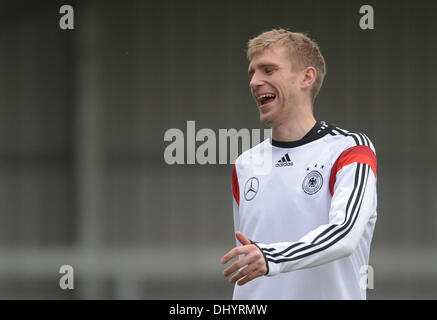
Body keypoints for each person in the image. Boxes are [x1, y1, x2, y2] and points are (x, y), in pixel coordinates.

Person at [221, 28, 377, 299]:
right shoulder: (245, 164)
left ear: (306, 77)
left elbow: (345, 234)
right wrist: (264, 260)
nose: (254, 82)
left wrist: (272, 257)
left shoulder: (350, 149)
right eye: (252, 73)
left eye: (268, 70)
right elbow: (249, 260)